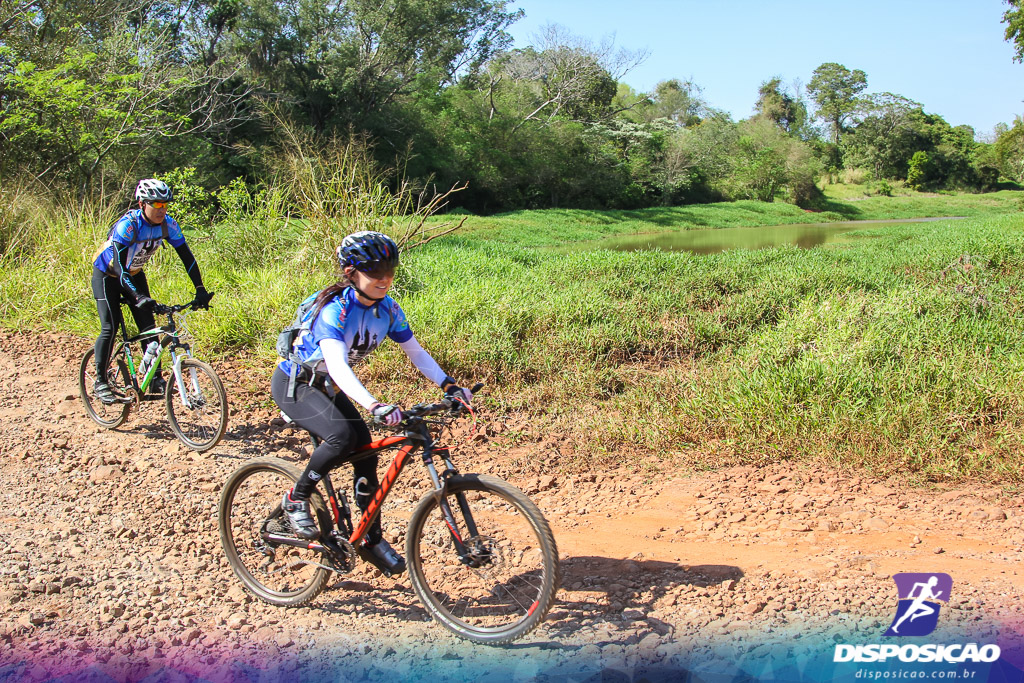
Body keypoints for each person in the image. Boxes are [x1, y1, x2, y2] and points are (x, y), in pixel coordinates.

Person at [272, 230, 472, 575]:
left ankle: (369, 539)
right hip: (298, 385)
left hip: (332, 388)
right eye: (375, 271)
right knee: (342, 439)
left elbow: (416, 352)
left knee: (365, 453)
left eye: (390, 269)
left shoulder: (388, 309)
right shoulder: (335, 311)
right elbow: (337, 364)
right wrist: (374, 405)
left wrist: (449, 384)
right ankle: (296, 498)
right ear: (351, 272)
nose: (385, 278)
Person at [91, 178, 213, 403]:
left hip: (134, 274)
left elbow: (187, 258)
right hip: (107, 275)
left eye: (165, 204)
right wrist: (137, 296)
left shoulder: (169, 225)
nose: (162, 209)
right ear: (142, 204)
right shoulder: (128, 225)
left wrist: (200, 289)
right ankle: (100, 381)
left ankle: (154, 377)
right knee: (110, 326)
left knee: (149, 328)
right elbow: (118, 265)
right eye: (156, 204)